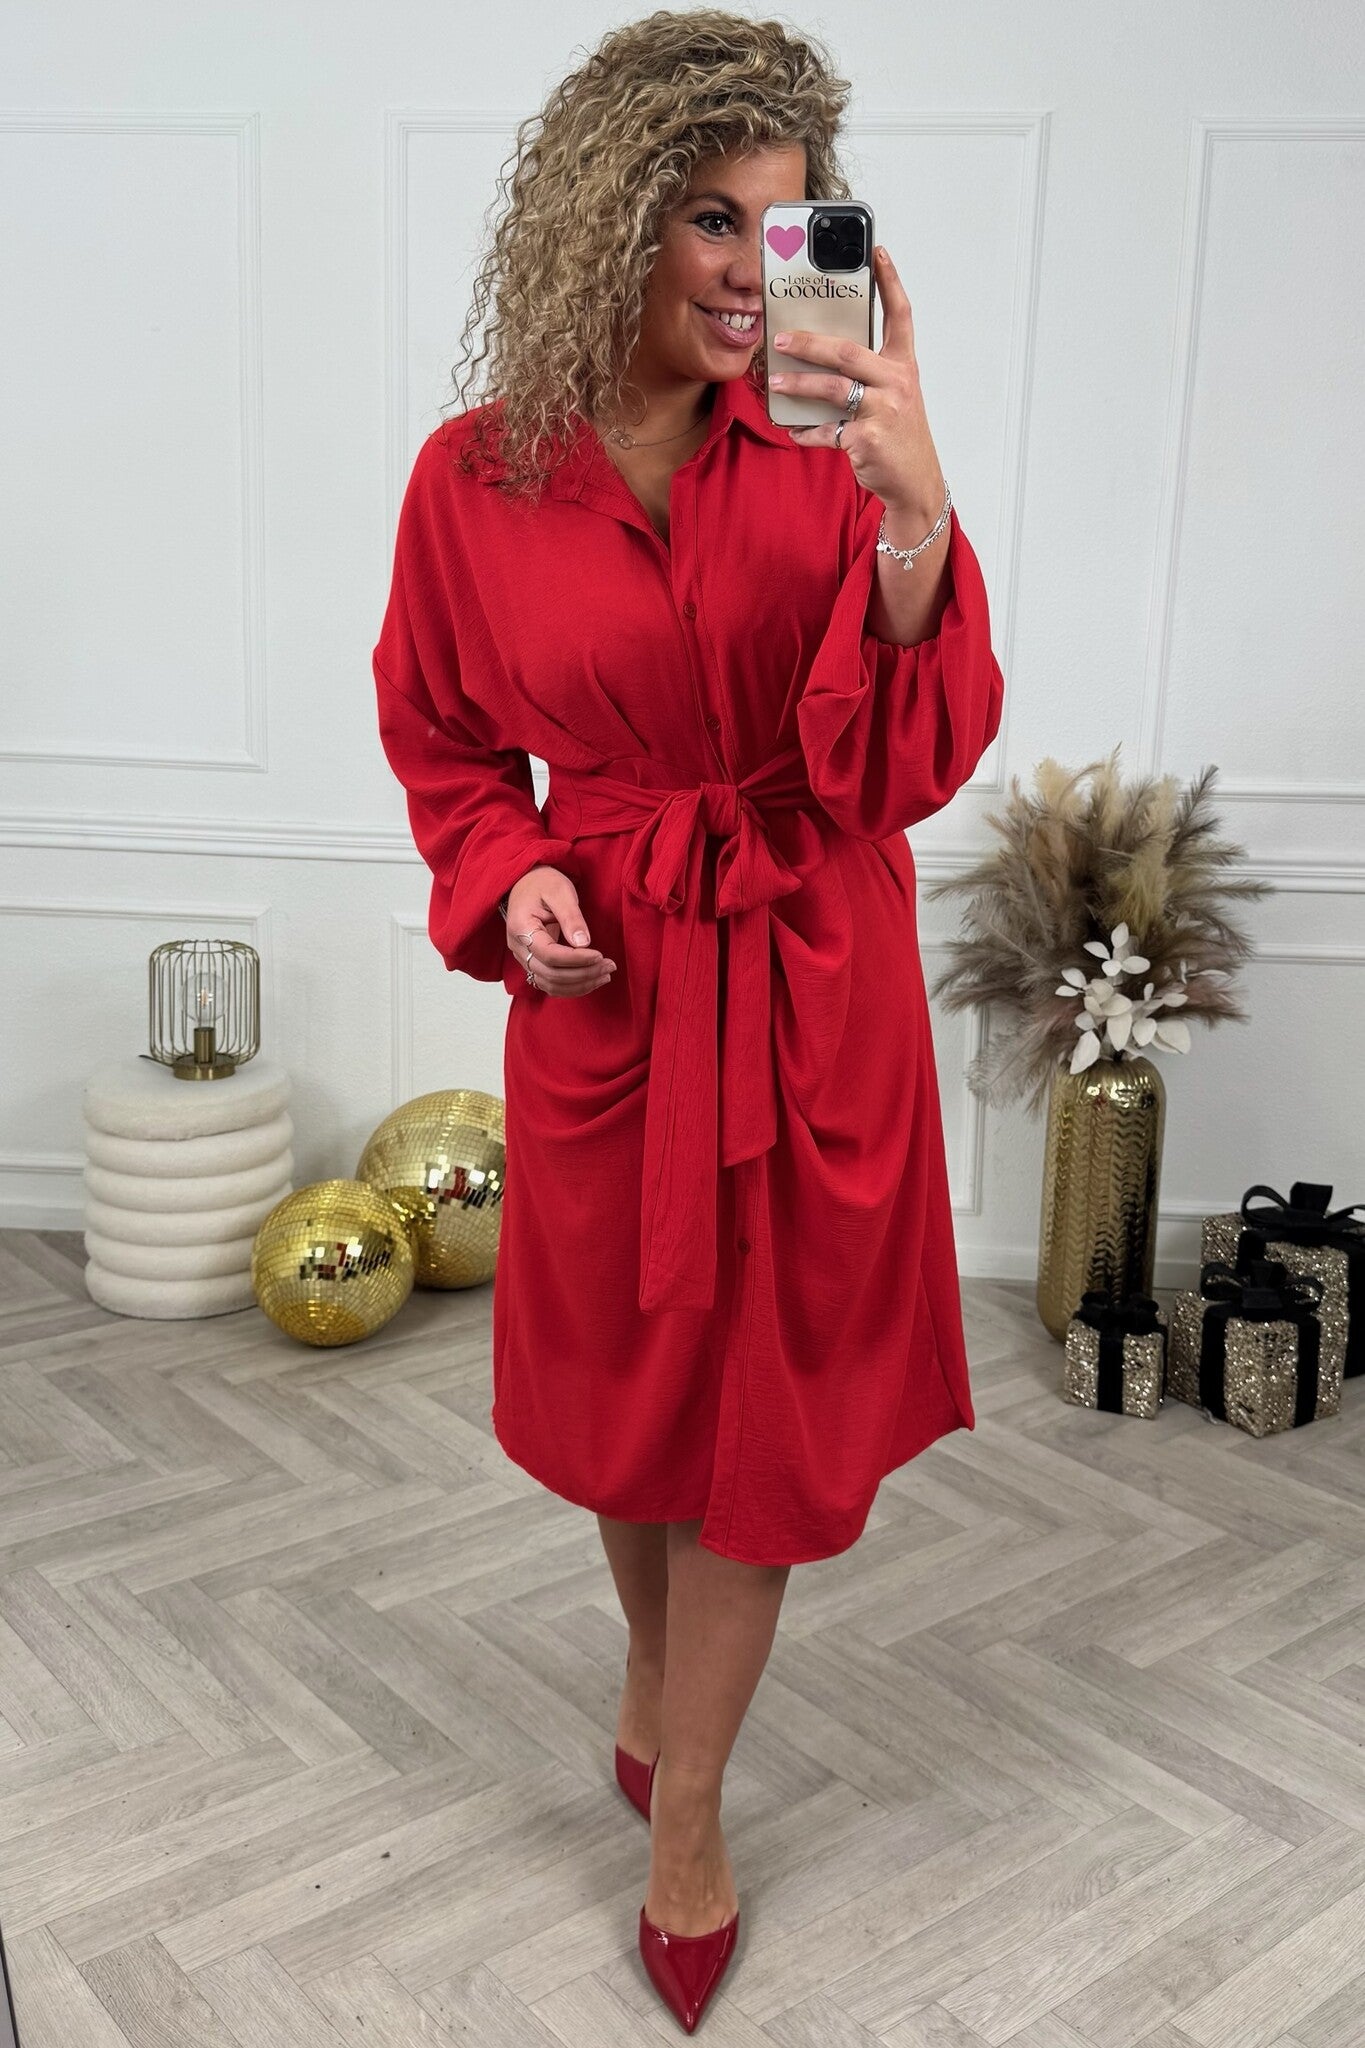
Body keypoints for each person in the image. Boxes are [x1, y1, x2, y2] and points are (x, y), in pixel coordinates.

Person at [372, 9, 1005, 2030]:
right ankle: (651, 1676)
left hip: (808, 978)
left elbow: (903, 762)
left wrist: (912, 521)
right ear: (607, 221)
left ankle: (694, 1810)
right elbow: (440, 734)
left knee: (763, 1411)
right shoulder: (473, 480)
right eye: (710, 218)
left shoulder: (829, 454)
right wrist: (506, 875)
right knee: (633, 1398)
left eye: (789, 221)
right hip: (613, 989)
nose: (754, 269)